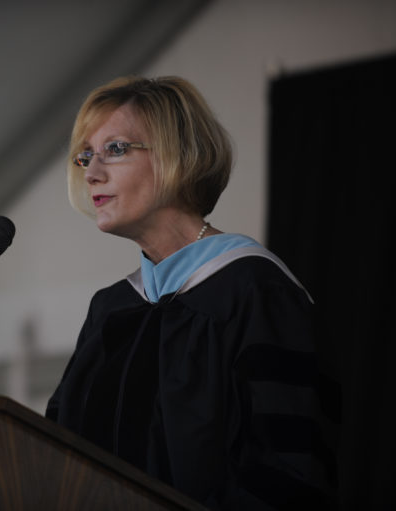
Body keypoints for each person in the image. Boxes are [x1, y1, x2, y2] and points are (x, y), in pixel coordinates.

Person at [46, 76, 337, 510]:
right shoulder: (112, 310)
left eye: (116, 149)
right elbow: (53, 453)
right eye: (85, 156)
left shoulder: (255, 292)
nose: (91, 172)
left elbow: (287, 471)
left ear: (175, 156)